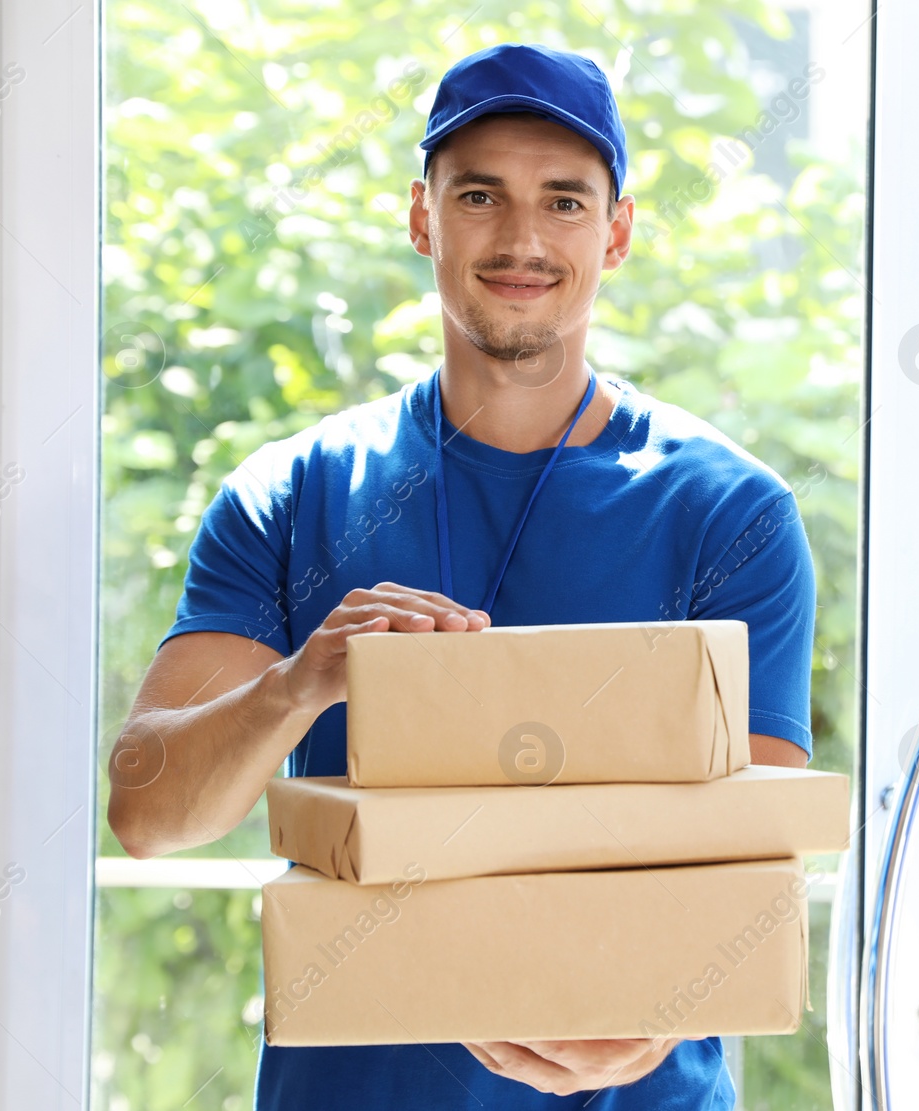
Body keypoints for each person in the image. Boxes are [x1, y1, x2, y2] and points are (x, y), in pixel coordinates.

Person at [105, 41, 816, 1110]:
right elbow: (149, 815)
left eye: (565, 201)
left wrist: (657, 1019)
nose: (523, 238)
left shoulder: (728, 513)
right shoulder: (292, 492)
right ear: (421, 218)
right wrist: (300, 682)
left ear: (615, 232)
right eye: (479, 194)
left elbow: (756, 868)